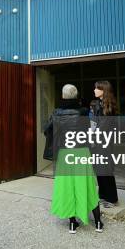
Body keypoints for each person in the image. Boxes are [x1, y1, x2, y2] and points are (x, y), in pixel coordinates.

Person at [46, 84, 103, 234]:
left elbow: (47, 130)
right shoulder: (84, 111)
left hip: (65, 153)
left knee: (68, 187)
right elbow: (91, 130)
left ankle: (72, 224)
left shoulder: (56, 113)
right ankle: (98, 222)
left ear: (63, 96)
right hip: (82, 152)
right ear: (76, 96)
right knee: (88, 185)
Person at [90, 81, 119, 208]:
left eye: (97, 88)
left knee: (106, 169)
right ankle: (103, 195)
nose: (94, 90)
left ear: (104, 90)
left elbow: (104, 126)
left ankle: (112, 198)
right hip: (98, 142)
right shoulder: (98, 104)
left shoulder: (109, 107)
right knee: (99, 169)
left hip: (105, 143)